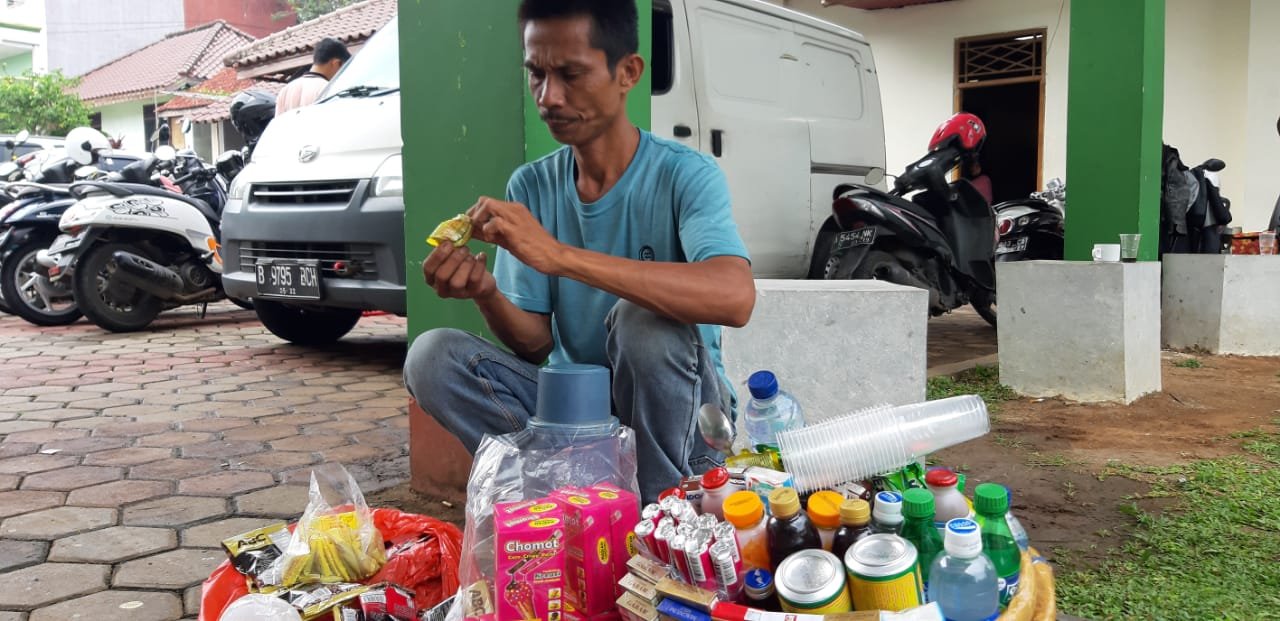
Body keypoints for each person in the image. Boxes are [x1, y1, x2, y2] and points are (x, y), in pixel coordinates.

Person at [402, 0, 756, 503]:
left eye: (570, 74)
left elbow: (735, 298)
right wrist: (486, 293)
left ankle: (663, 513)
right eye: (536, 75)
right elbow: (535, 345)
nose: (549, 96)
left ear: (627, 72)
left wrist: (560, 256)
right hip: (578, 416)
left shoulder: (685, 175)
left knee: (644, 321)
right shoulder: (533, 185)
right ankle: (556, 489)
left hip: (685, 424)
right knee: (432, 357)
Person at [275, 37, 351, 114]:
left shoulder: (286, 90)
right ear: (336, 63)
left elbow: (276, 125)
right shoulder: (329, 89)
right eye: (343, 68)